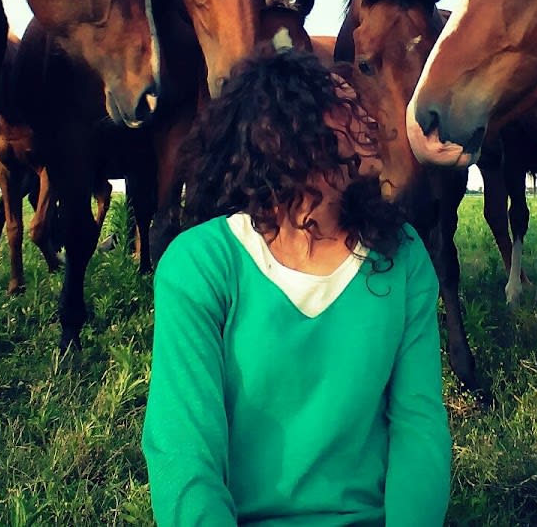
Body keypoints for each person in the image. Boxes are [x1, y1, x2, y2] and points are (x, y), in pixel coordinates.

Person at [142, 49, 451, 526]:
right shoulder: (200, 264)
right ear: (282, 131)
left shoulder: (402, 255)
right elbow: (183, 452)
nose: (370, 119)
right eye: (345, 107)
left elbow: (420, 426)